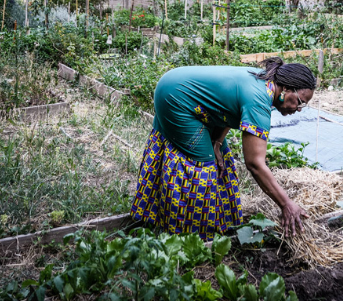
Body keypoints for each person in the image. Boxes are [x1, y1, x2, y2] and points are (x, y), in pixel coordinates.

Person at [131, 58, 315, 241]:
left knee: (222, 159)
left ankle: (216, 224)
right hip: (176, 98)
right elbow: (255, 164)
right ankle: (188, 236)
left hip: (178, 87)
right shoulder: (258, 100)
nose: (299, 109)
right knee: (202, 167)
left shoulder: (265, 82)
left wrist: (217, 142)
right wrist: (286, 204)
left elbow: (228, 107)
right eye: (300, 102)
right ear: (287, 89)